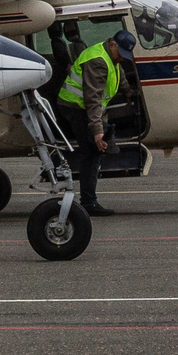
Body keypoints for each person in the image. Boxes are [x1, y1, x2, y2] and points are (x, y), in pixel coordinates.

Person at [54, 28, 136, 215]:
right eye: (121, 53)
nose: (122, 58)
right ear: (112, 43)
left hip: (84, 107)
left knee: (99, 146)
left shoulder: (111, 56)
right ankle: (89, 203)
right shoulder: (98, 60)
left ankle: (89, 200)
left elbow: (119, 73)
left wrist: (129, 92)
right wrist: (97, 132)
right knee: (91, 152)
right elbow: (92, 99)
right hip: (74, 107)